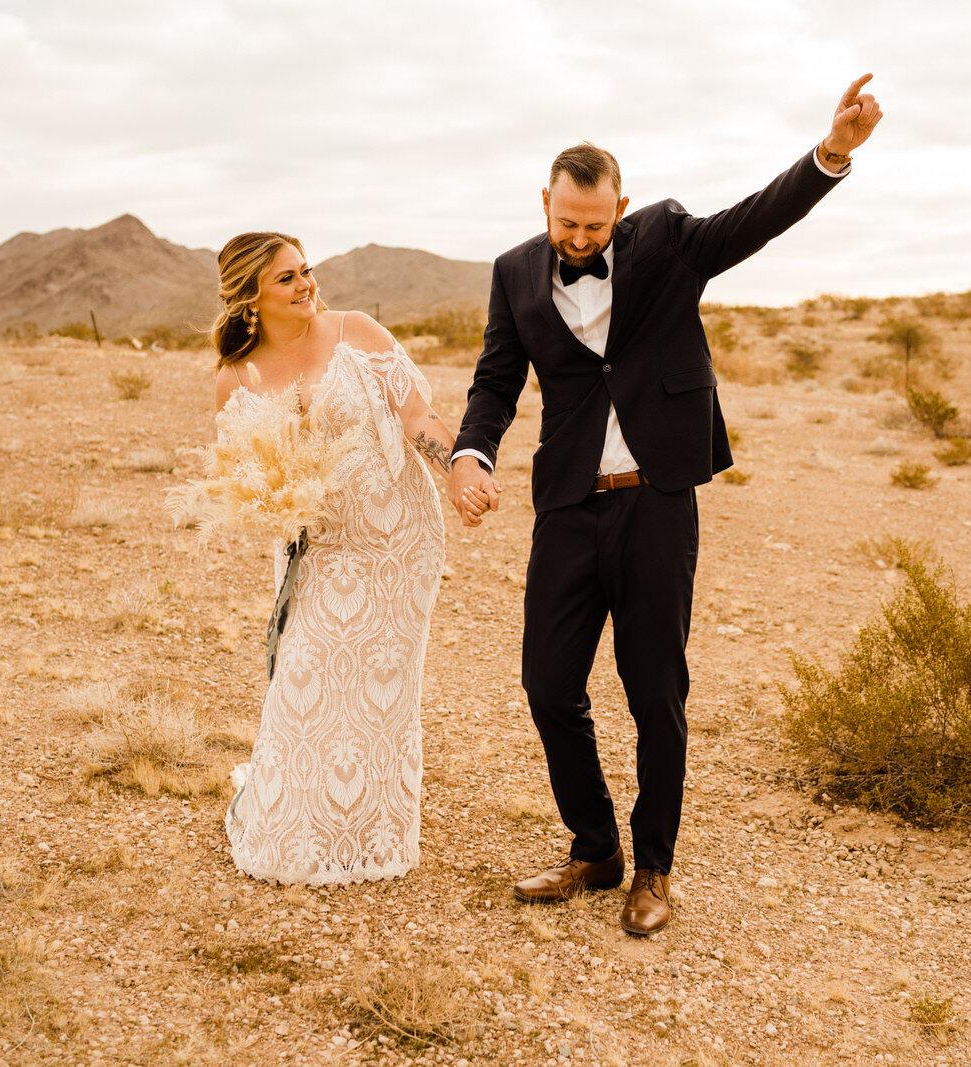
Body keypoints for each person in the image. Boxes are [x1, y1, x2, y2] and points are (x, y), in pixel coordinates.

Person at [448, 75, 883, 934]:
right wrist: (471, 452)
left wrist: (830, 153)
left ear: (623, 208)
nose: (579, 238)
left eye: (595, 225)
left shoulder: (666, 240)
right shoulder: (513, 274)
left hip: (657, 504)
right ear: (545, 202)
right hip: (569, 503)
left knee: (655, 691)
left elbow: (753, 222)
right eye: (566, 222)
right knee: (546, 683)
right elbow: (497, 378)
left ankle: (652, 868)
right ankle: (594, 845)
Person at [210, 232, 455, 885]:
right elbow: (241, 470)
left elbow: (417, 418)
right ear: (251, 298)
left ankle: (372, 836)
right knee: (306, 682)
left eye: (305, 270)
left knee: (379, 693)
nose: (306, 285)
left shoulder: (357, 331)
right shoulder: (238, 375)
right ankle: (297, 829)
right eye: (286, 279)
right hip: (314, 550)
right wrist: (271, 501)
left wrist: (458, 469)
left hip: (394, 542)